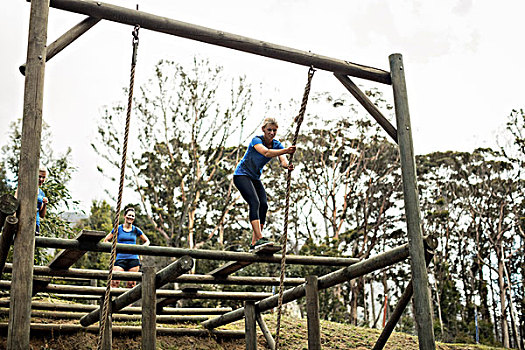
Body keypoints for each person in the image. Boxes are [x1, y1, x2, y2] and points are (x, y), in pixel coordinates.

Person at [233, 117, 296, 250]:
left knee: (264, 205)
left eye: (274, 130)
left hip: (255, 178)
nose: (272, 133)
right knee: (254, 202)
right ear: (263, 130)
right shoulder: (256, 140)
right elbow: (266, 153)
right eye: (269, 130)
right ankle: (260, 238)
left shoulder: (277, 144)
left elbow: (283, 161)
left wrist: (287, 166)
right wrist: (286, 150)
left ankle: (254, 242)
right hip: (241, 175)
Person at [103, 207, 150, 288]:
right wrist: (114, 248)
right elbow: (106, 240)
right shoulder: (118, 228)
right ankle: (112, 300)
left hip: (133, 259)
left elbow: (147, 241)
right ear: (124, 216)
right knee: (115, 281)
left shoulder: (136, 230)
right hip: (120, 258)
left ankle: (128, 300)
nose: (130, 217)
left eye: (132, 216)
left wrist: (141, 250)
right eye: (129, 215)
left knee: (131, 284)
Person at [15, 165, 48, 234]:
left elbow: (42, 215)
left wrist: (45, 204)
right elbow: (14, 203)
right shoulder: (24, 187)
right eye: (39, 176)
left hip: (35, 224)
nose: (41, 179)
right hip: (23, 222)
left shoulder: (41, 193)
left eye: (43, 177)